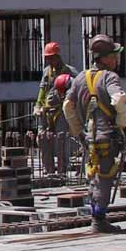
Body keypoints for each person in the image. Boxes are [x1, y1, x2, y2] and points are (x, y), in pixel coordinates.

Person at [65, 38, 126, 232]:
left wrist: (78, 132)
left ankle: (96, 214)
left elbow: (67, 106)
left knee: (93, 176)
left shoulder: (79, 79)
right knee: (105, 177)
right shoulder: (110, 77)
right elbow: (118, 99)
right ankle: (99, 219)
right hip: (107, 136)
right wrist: (121, 122)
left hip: (89, 137)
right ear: (106, 58)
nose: (117, 59)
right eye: (115, 56)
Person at [33, 41, 70, 174]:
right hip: (46, 111)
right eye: (47, 58)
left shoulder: (69, 71)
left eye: (51, 57)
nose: (49, 60)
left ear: (58, 56)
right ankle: (47, 168)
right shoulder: (46, 72)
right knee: (42, 138)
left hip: (61, 111)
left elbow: (76, 92)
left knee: (61, 139)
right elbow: (42, 91)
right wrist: (37, 106)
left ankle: (62, 169)